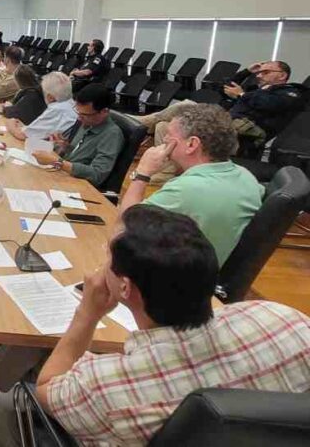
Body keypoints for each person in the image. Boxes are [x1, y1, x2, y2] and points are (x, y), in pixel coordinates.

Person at [37, 204, 310, 445]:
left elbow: (45, 388)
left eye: (108, 254)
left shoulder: (101, 385)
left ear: (125, 287)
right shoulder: (285, 320)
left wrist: (87, 314)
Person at [118, 103, 263, 265]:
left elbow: (125, 224)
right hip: (207, 267)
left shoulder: (186, 189)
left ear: (192, 144)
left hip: (177, 271)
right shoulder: (247, 177)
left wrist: (142, 173)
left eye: (169, 134)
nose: (164, 139)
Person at [136, 59, 306, 173]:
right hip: (224, 122)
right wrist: (247, 72)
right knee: (163, 126)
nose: (260, 75)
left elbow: (269, 105)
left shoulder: (291, 93)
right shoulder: (256, 90)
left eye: (266, 72)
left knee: (185, 105)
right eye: (259, 73)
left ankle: (138, 123)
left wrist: (241, 95)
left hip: (242, 133)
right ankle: (166, 173)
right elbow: (223, 87)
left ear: (282, 75)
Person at [32, 83, 124, 189]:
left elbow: (97, 174)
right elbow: (78, 155)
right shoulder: (87, 121)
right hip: (63, 176)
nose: (79, 118)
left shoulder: (112, 134)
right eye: (78, 112)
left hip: (78, 186)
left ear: (104, 112)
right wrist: (64, 147)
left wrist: (57, 162)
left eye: (85, 115)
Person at [7, 72, 77, 141]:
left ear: (50, 97)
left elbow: (22, 135)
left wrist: (10, 122)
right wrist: (24, 127)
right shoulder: (71, 104)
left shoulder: (57, 108)